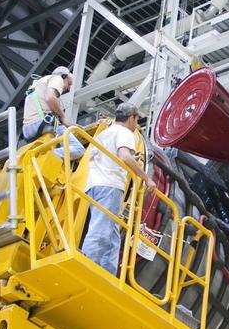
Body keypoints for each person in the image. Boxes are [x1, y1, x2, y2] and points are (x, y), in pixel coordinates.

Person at [80, 104, 155, 276]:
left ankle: (107, 273)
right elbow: (124, 156)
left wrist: (130, 159)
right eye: (137, 120)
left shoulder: (104, 134)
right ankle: (87, 267)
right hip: (110, 185)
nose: (137, 124)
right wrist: (147, 179)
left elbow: (115, 157)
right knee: (101, 230)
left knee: (112, 234)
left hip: (95, 185)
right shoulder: (125, 133)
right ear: (131, 118)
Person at [22, 67, 73, 141]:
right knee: (78, 149)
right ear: (64, 76)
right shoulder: (57, 78)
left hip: (27, 130)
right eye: (69, 84)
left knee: (55, 147)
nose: (68, 88)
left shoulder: (38, 85)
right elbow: (50, 98)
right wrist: (63, 117)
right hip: (42, 123)